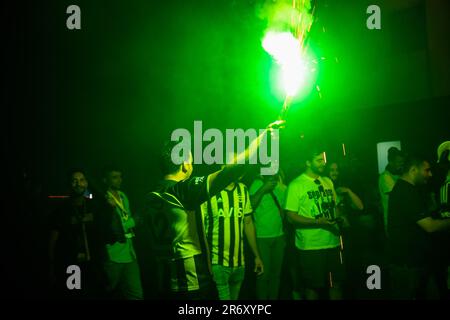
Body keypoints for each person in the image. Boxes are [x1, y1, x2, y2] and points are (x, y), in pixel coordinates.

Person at [143, 121, 283, 300]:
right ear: (185, 164)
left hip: (164, 280)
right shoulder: (182, 191)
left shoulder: (150, 197)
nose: (192, 167)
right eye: (191, 161)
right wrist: (263, 137)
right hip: (192, 280)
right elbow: (230, 172)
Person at [284, 146, 345, 300]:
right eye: (318, 160)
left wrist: (339, 216)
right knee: (313, 287)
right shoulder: (296, 185)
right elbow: (290, 216)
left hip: (332, 241)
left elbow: (335, 206)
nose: (322, 163)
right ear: (307, 162)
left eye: (323, 160)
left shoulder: (327, 181)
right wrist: (318, 222)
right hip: (311, 246)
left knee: (336, 284)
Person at [387, 155, 450, 299]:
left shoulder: (407, 189)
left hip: (412, 262)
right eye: (427, 170)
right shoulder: (406, 192)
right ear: (413, 170)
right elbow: (429, 226)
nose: (430, 174)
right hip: (407, 264)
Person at [201, 172, 264, 300]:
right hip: (217, 262)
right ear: (223, 167)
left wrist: (257, 256)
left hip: (239, 263)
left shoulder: (242, 189)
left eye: (240, 165)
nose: (238, 168)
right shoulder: (208, 190)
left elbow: (248, 222)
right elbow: (200, 227)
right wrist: (206, 261)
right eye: (234, 165)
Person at [48, 169, 105, 299]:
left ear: (87, 183)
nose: (78, 183)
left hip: (94, 264)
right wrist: (50, 266)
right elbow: (53, 240)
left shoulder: (94, 206)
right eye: (74, 181)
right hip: (72, 265)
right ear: (68, 184)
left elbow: (102, 233)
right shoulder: (61, 210)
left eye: (82, 180)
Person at [99, 167, 143, 299]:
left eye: (120, 176)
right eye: (114, 177)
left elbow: (124, 218)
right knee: (108, 291)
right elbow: (110, 228)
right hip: (113, 255)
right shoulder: (103, 199)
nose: (119, 180)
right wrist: (133, 222)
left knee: (136, 294)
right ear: (105, 180)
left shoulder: (123, 195)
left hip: (130, 253)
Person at [249, 171, 286, 300]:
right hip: (261, 237)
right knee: (263, 275)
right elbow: (250, 206)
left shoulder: (280, 183)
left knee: (276, 275)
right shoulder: (257, 183)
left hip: (279, 236)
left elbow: (285, 208)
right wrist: (263, 189)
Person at [379, 147, 404, 235]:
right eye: (399, 162)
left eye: (402, 162)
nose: (402, 164)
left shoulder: (399, 175)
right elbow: (398, 195)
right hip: (392, 223)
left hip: (401, 222)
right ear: (390, 162)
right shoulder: (385, 176)